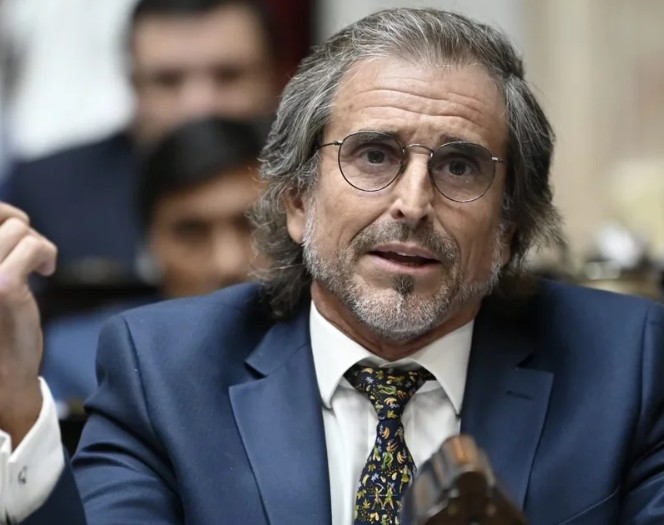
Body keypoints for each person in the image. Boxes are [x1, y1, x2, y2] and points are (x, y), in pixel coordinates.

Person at [0, 7, 663, 525]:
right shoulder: (166, 372)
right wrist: (20, 406)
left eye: (459, 167)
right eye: (374, 155)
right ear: (297, 200)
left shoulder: (627, 367)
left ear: (509, 226)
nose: (412, 204)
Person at [0, 0, 280, 283]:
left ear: (275, 79)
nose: (199, 106)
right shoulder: (49, 192)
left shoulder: (307, 179)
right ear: (132, 85)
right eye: (168, 81)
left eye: (228, 76)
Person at [41, 115, 267, 405]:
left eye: (252, 223)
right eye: (191, 233)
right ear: (150, 243)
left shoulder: (321, 340)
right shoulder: (87, 359)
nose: (227, 263)